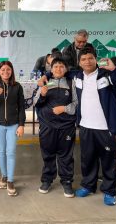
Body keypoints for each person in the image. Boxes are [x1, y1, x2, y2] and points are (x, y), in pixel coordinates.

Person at [73, 48, 116, 206]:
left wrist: (114, 69)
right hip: (86, 126)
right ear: (79, 62)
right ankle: (88, 185)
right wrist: (46, 76)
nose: (87, 61)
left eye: (90, 58)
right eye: (84, 59)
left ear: (96, 59)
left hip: (106, 127)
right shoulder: (77, 76)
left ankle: (109, 191)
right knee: (88, 159)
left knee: (109, 161)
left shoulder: (106, 75)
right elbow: (57, 73)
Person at [34, 58, 77, 198]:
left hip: (66, 126)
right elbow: (35, 102)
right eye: (56, 66)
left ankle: (67, 181)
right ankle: (47, 180)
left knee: (66, 155)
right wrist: (42, 94)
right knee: (48, 154)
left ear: (65, 69)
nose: (58, 69)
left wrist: (64, 108)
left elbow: (77, 103)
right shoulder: (45, 82)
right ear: (51, 69)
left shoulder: (71, 83)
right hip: (48, 125)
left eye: (61, 66)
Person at [0, 61, 25, 196]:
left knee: (11, 152)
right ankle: (3, 176)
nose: (5, 72)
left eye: (8, 70)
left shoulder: (17, 86)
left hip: (13, 124)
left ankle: (10, 180)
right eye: (2, 70)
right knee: (1, 151)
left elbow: (21, 107)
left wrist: (21, 125)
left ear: (11, 71)